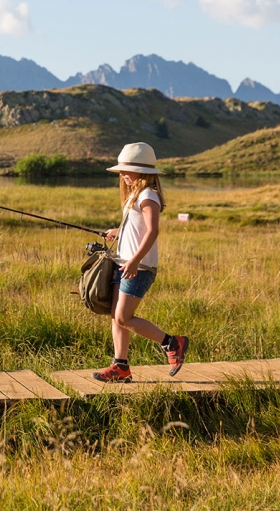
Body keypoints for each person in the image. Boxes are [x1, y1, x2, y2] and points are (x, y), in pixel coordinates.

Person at [93, 142, 189, 382]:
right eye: (122, 171)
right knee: (116, 317)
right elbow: (138, 228)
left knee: (124, 317)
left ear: (143, 171)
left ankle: (171, 343)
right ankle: (120, 367)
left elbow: (153, 230)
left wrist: (135, 261)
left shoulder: (148, 195)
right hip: (125, 263)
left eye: (128, 170)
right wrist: (118, 231)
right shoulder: (136, 194)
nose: (123, 175)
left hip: (138, 267)